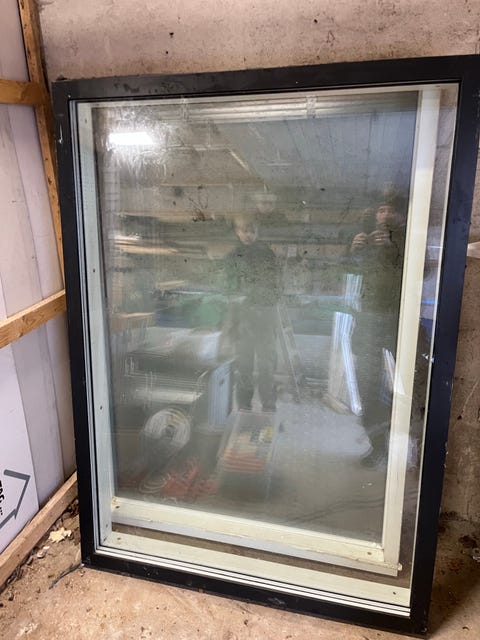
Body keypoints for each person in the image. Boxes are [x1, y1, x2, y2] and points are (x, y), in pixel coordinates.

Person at [350, 198, 407, 468]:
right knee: (367, 384)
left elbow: (425, 274)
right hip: (370, 318)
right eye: (380, 209)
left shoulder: (409, 237)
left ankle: (408, 446)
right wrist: (353, 252)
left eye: (390, 210)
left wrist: (393, 248)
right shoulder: (368, 239)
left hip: (400, 319)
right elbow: (347, 274)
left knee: (409, 386)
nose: (384, 215)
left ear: (401, 214)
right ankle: (378, 446)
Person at [223, 214, 280, 413]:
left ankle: (268, 405)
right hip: (242, 318)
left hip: (265, 316)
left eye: (252, 231)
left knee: (267, 364)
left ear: (257, 232)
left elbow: (274, 285)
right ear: (237, 232)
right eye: (244, 231)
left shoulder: (267, 254)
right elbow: (229, 287)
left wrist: (261, 301)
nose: (248, 235)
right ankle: (244, 406)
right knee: (244, 364)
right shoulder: (232, 257)